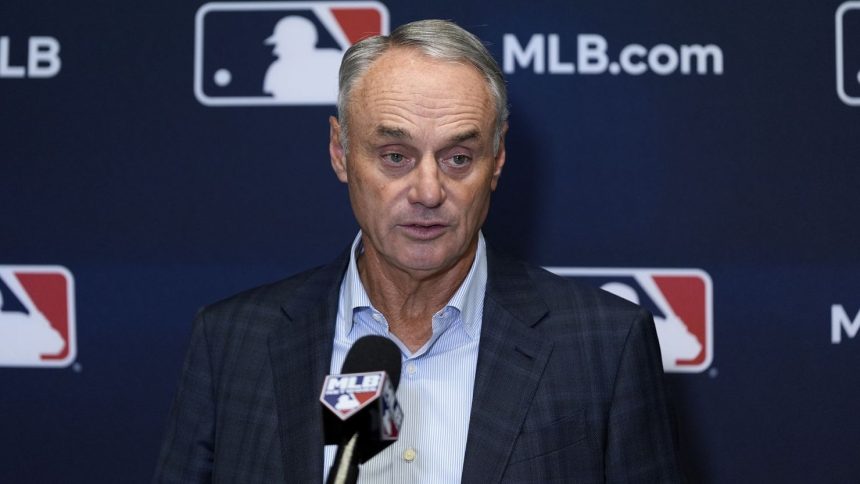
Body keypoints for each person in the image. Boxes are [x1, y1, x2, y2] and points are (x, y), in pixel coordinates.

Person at [155, 19, 683, 483]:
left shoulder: (603, 346)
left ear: (497, 160)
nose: (428, 191)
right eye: (394, 155)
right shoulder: (232, 343)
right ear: (340, 152)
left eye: (458, 157)